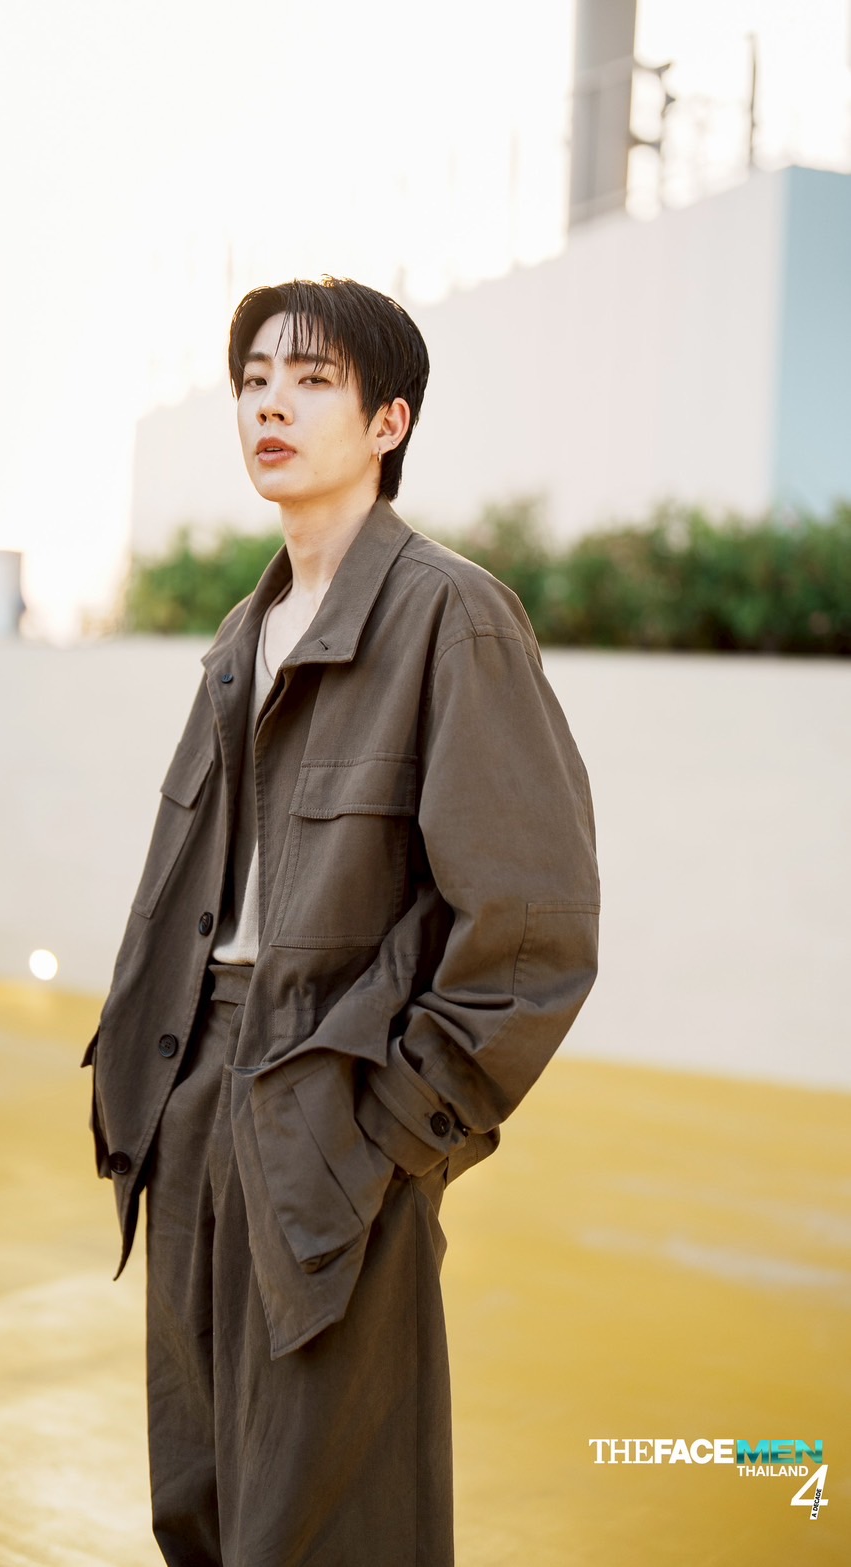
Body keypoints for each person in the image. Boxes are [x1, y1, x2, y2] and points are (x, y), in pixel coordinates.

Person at [82, 276, 600, 1567]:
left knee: (324, 1520)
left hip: (334, 1106)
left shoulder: (450, 616)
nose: (270, 404)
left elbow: (530, 929)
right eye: (254, 379)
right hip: (192, 1098)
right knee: (198, 1501)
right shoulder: (242, 634)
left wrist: (392, 1133)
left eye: (312, 380)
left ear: (387, 422)